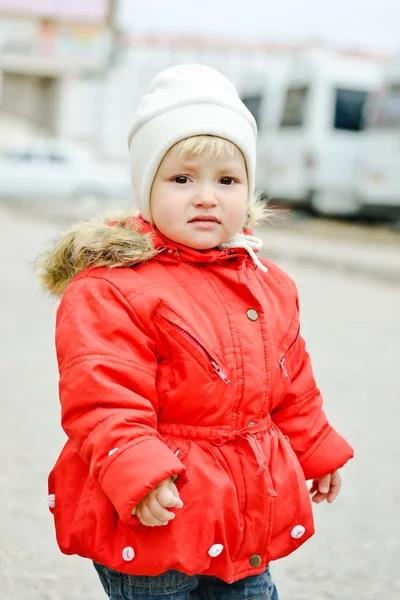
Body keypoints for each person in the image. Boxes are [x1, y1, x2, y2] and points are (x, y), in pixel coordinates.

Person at [36, 65, 354, 600]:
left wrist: (315, 448)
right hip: (158, 507)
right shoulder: (111, 289)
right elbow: (103, 397)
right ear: (147, 187)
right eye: (182, 179)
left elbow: (291, 382)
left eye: (226, 180)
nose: (206, 197)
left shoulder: (268, 285)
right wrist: (137, 470)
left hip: (239, 511)